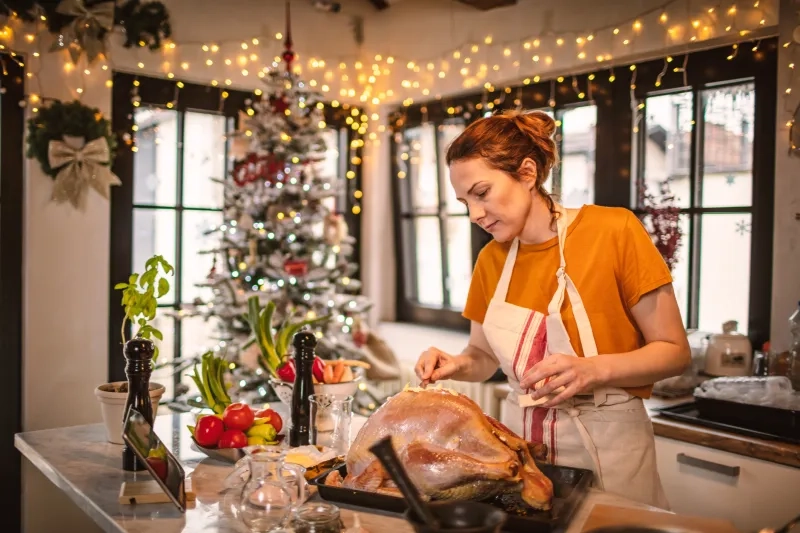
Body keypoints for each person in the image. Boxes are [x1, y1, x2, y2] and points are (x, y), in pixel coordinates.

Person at [414, 110, 691, 510]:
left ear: (527, 173)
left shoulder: (613, 231)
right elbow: (482, 357)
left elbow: (673, 351)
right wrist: (455, 364)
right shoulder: (491, 260)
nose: (474, 214)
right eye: (464, 201)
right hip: (522, 452)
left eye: (482, 192)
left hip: (611, 447)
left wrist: (592, 369)